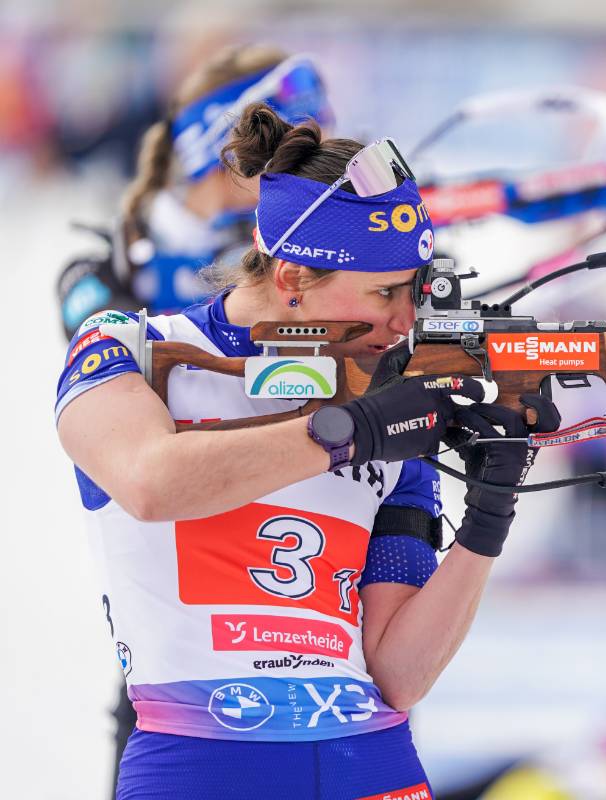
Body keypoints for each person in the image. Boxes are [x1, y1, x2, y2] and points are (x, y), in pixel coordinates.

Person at [55, 102, 559, 799]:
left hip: (374, 765)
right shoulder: (129, 348)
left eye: (411, 292)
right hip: (200, 764)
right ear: (291, 277)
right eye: (384, 292)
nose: (404, 320)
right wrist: (353, 432)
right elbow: (151, 483)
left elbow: (400, 674)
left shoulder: (384, 395)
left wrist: (490, 512)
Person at [55, 43, 333, 340]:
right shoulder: (109, 269)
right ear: (234, 152)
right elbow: (109, 354)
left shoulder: (315, 251)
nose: (322, 179)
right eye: (303, 156)